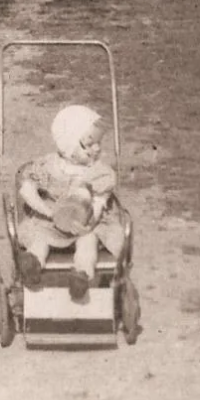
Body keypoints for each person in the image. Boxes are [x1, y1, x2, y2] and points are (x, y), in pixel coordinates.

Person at [15, 104, 125, 301]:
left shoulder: (98, 173)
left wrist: (89, 222)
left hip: (85, 224)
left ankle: (81, 275)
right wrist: (48, 212)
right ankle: (33, 263)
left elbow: (99, 202)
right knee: (39, 239)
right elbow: (27, 190)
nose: (96, 148)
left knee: (88, 242)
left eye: (98, 143)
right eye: (89, 144)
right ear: (68, 146)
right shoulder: (48, 167)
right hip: (50, 222)